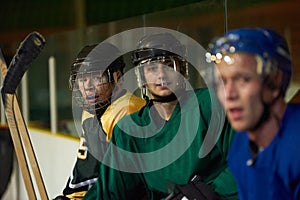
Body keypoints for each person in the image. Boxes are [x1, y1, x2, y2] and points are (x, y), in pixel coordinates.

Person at [83, 32, 238, 199]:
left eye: (168, 65)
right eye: (151, 68)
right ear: (141, 76)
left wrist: (210, 193)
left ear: (182, 68)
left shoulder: (212, 105)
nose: (161, 74)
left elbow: (247, 161)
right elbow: (109, 191)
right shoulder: (129, 131)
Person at [207, 27, 300, 199]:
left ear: (275, 79)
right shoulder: (241, 146)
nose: (229, 94)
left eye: (243, 79)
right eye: (222, 82)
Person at [54, 42, 146, 199]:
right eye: (82, 79)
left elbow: (123, 184)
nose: (88, 87)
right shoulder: (90, 112)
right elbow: (88, 172)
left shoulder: (128, 111)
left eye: (97, 77)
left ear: (117, 78)